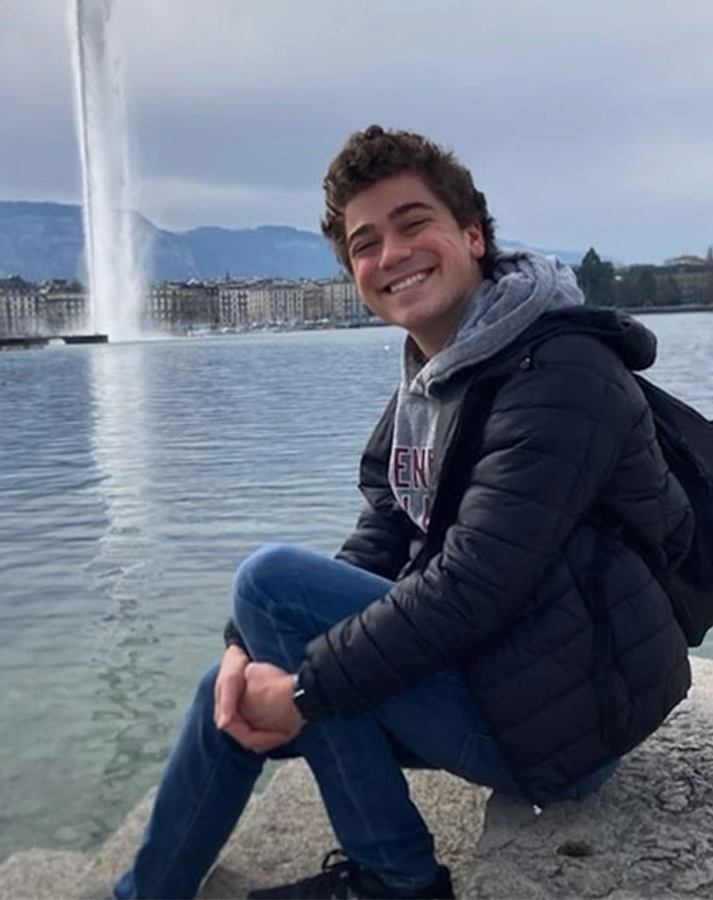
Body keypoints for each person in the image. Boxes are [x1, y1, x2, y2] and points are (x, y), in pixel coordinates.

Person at [112, 125, 693, 900]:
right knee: (229, 687)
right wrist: (245, 649)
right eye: (366, 244)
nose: (391, 255)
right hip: (506, 673)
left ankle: (397, 880)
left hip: (570, 718)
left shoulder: (560, 373)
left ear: (474, 235)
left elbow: (472, 587)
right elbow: (382, 537)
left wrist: (305, 692)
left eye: (413, 223)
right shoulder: (439, 371)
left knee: (270, 586)